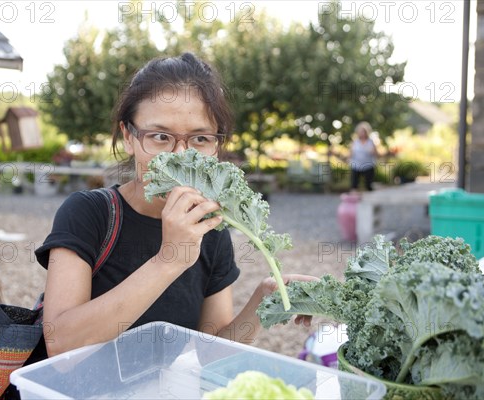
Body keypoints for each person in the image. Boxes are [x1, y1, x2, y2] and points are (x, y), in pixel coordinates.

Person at [32, 53, 314, 360]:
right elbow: (61, 345)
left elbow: (212, 355)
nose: (180, 156)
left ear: (216, 145)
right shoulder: (88, 213)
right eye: (161, 136)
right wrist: (169, 260)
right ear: (129, 137)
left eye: (200, 139)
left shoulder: (212, 229)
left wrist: (263, 302)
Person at [349, 121, 378, 191]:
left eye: (364, 131)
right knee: (354, 185)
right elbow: (350, 154)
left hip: (368, 166)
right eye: (360, 131)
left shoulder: (370, 142)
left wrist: (372, 152)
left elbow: (376, 153)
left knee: (369, 185)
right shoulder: (355, 142)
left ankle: (371, 199)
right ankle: (353, 199)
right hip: (356, 165)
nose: (362, 133)